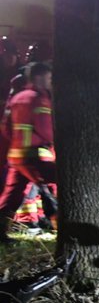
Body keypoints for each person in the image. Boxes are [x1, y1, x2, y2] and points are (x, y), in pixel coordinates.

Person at [0, 62, 56, 243]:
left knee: (11, 197)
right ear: (39, 77)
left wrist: (17, 143)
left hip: (16, 155)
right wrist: (52, 143)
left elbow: (5, 127)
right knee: (59, 184)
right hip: (35, 155)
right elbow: (45, 129)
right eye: (48, 78)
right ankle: (64, 228)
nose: (49, 82)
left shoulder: (17, 97)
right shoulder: (40, 99)